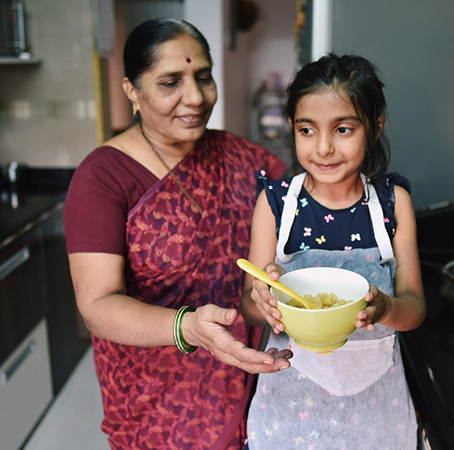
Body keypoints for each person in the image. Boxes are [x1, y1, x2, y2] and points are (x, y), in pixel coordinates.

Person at [64, 18, 293, 450]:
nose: (195, 97)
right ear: (132, 89)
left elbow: (309, 197)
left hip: (244, 377)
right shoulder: (103, 178)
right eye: (171, 82)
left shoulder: (239, 156)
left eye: (202, 77)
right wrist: (188, 328)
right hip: (154, 403)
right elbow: (97, 304)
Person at [240, 53, 426, 448]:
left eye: (343, 129)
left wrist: (387, 309)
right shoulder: (276, 204)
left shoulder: (393, 204)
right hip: (290, 419)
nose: (323, 148)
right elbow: (250, 308)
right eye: (307, 130)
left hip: (376, 417)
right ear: (292, 128)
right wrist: (264, 299)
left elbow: (414, 307)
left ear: (375, 127)